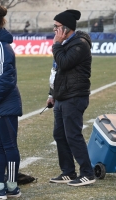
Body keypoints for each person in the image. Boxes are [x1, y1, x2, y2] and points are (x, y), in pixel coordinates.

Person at [46, 9, 95, 186]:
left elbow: (64, 63)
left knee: (73, 135)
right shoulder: (65, 44)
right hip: (61, 97)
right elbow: (56, 70)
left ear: (66, 28)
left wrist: (56, 45)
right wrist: (52, 94)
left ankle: (87, 173)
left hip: (74, 97)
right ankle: (68, 171)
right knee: (59, 135)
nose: (54, 30)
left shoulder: (80, 45)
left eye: (57, 27)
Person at [0, 5, 22, 199]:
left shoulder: (1, 47)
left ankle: (11, 186)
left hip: (5, 104)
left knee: (9, 145)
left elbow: (5, 78)